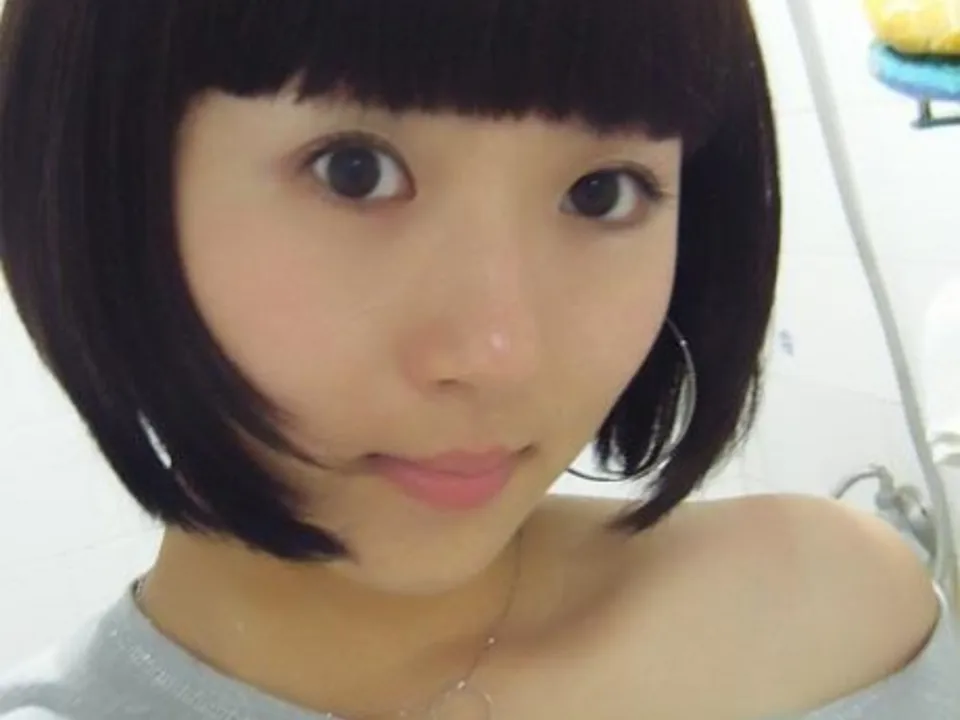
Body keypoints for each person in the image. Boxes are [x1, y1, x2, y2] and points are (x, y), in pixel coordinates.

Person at [0, 0, 956, 718]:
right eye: (354, 171)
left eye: (602, 191)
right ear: (97, 185)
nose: (501, 355)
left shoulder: (830, 616)